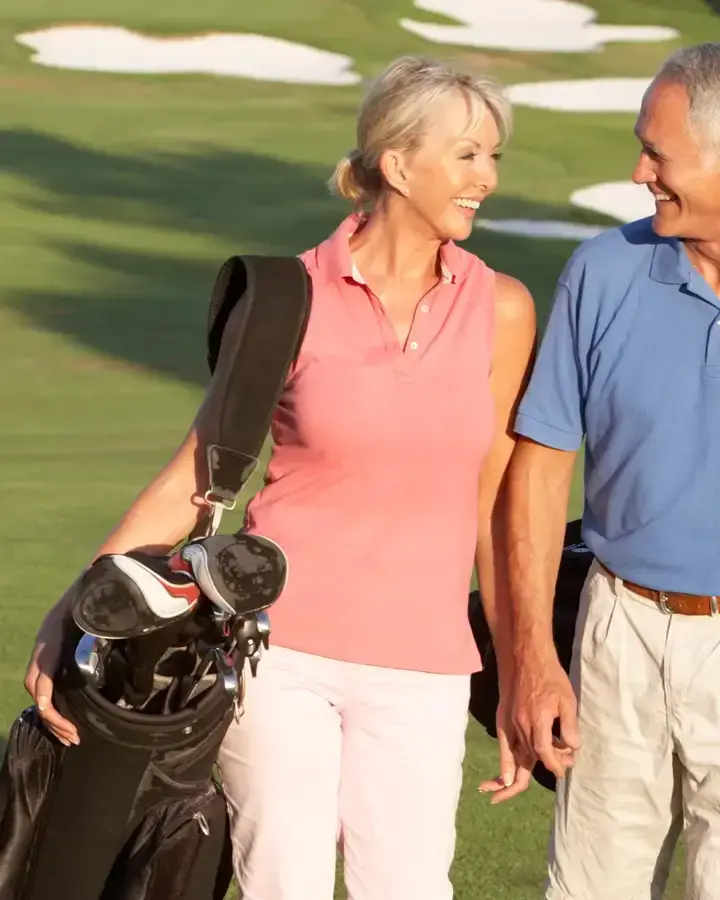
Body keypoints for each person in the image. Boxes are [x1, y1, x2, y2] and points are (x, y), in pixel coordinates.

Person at [23, 56, 536, 899]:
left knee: (409, 888)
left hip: (424, 665)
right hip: (278, 651)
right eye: (469, 155)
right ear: (399, 164)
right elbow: (200, 469)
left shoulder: (502, 309)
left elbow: (490, 506)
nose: (485, 178)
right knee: (284, 885)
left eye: (494, 158)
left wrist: (514, 673)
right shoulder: (286, 295)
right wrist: (73, 612)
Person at [493, 41, 720, 900]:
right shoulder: (604, 271)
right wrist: (534, 656)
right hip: (617, 631)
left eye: (658, 154)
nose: (639, 171)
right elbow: (542, 473)